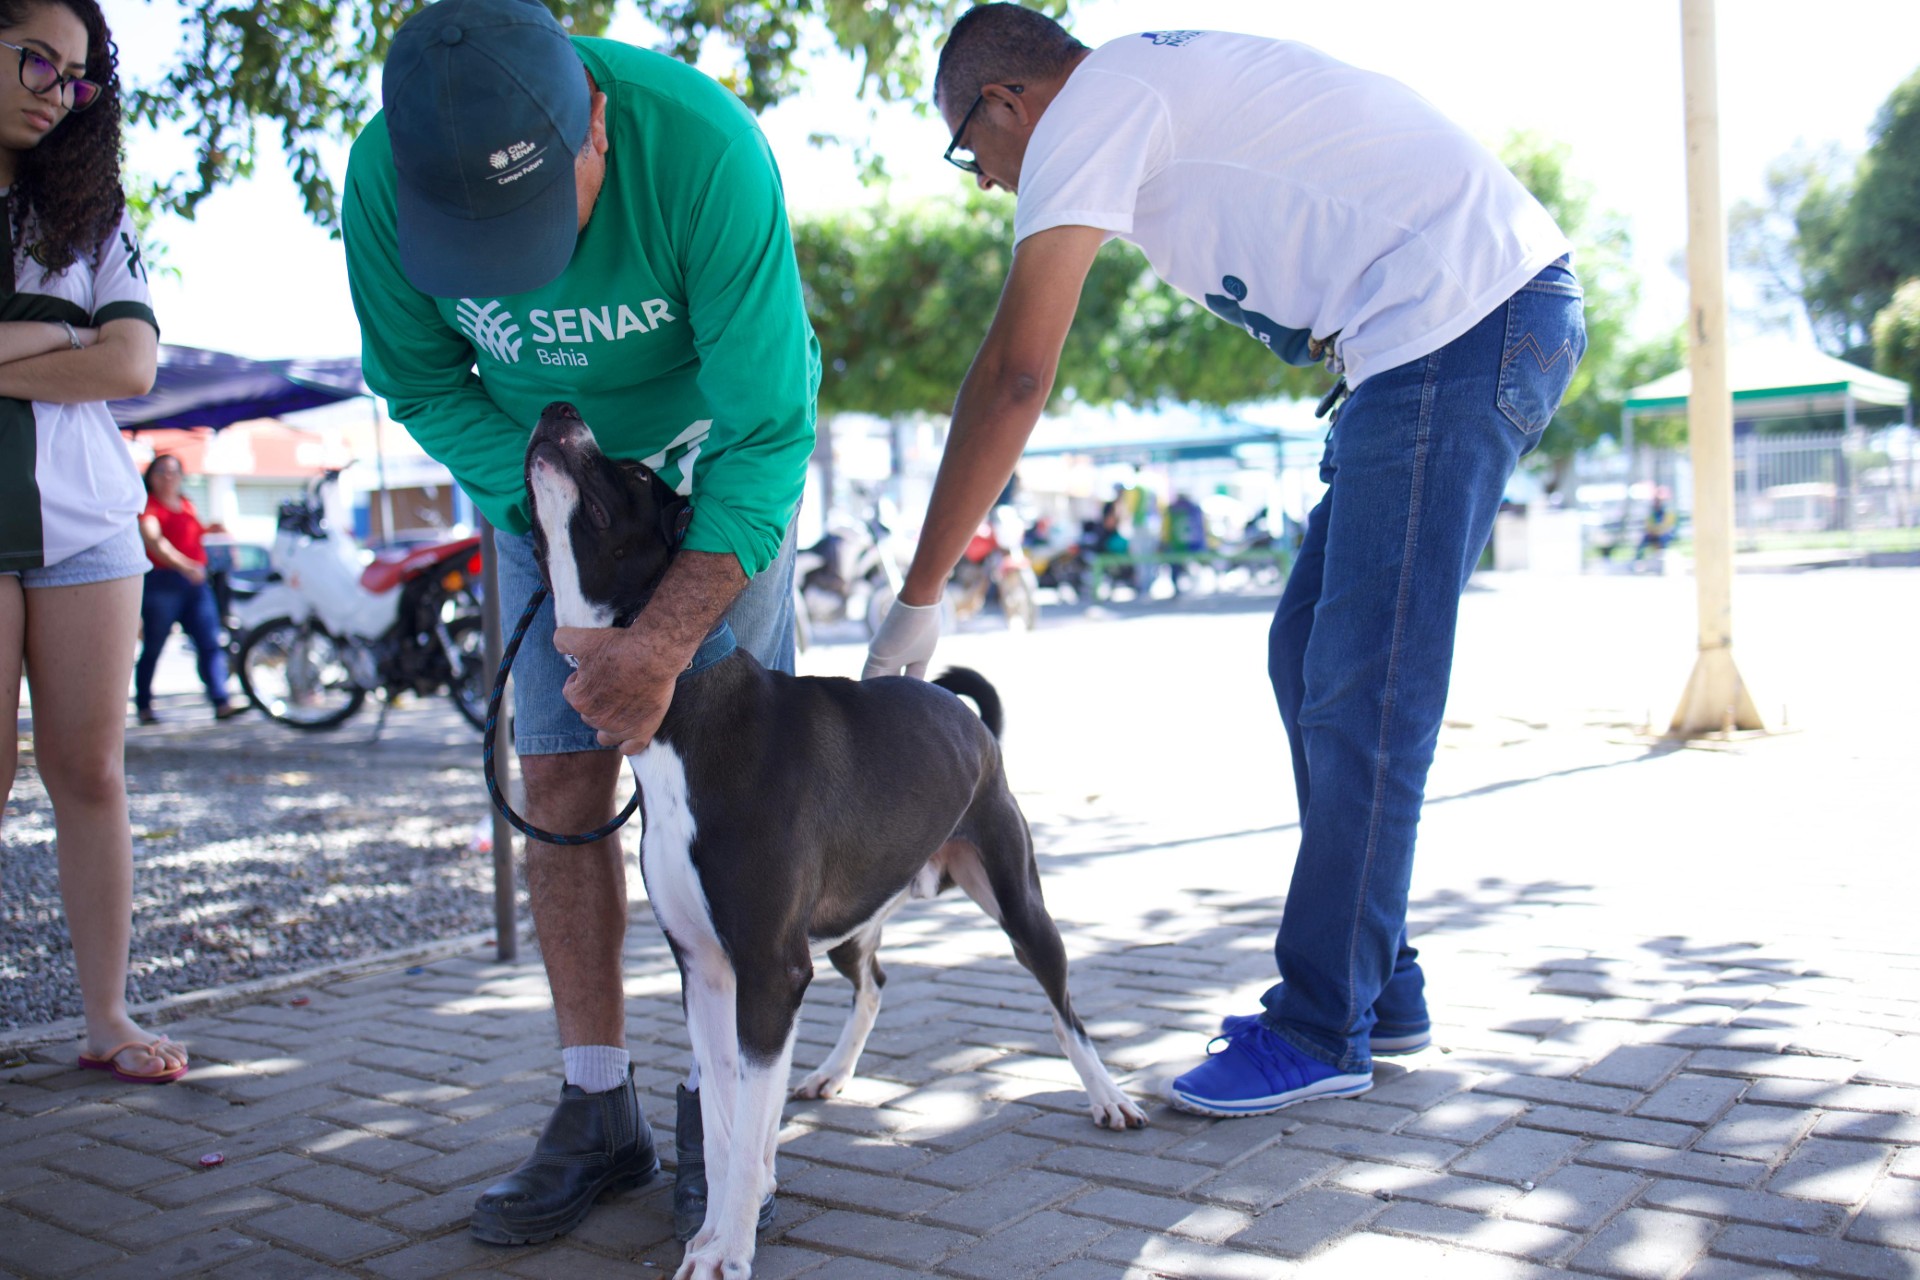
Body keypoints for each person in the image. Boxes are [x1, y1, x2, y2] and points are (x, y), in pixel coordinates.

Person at [863, 5, 1585, 1117]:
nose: (986, 180)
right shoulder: (1138, 97)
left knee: (1364, 687)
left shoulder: (1091, 107)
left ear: (1006, 101)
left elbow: (1015, 374)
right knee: (1307, 655)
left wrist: (920, 593)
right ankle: (1377, 982)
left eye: (970, 149)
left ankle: (1320, 1023)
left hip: (1455, 323)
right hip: (1431, 336)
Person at [341, 0, 819, 1245]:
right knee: (557, 776)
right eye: (483, 243)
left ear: (595, 121)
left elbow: (769, 424)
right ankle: (597, 1103)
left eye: (537, 221)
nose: (524, 272)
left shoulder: (705, 150)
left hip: (712, 483)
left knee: (739, 790)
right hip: (542, 474)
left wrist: (661, 639)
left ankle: (727, 1109)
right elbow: (419, 378)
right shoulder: (383, 173)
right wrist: (550, 517)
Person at [0, 0, 182, 1084]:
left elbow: (129, 365)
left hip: (89, 530)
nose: (56, 92)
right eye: (36, 60)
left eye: (74, 77)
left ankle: (107, 1016)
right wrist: (60, 331)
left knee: (91, 772)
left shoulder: (91, 212)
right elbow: (95, 346)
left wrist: (62, 340)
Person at [133, 453, 245, 725]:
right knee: (154, 646)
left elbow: (194, 538)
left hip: (195, 583)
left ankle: (221, 700)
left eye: (173, 471)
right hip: (163, 582)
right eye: (161, 471)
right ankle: (144, 705)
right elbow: (154, 541)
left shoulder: (187, 504)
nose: (168, 477)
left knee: (209, 642)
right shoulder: (149, 506)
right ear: (151, 477)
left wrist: (214, 533)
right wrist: (185, 566)